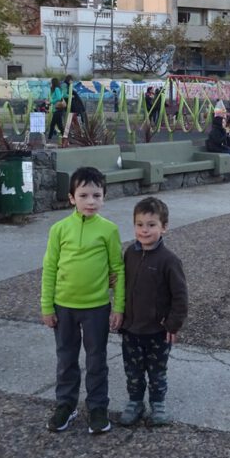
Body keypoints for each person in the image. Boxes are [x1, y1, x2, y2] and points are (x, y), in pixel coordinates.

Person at [41, 167, 125, 435]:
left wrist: (119, 306)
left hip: (97, 308)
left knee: (96, 360)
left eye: (97, 195)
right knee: (66, 358)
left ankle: (98, 407)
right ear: (71, 198)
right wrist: (46, 306)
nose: (91, 201)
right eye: (84, 195)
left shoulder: (109, 230)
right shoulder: (58, 229)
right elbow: (50, 268)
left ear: (104, 198)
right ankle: (66, 405)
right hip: (63, 307)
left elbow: (118, 270)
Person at [118, 198, 188, 427]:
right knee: (133, 371)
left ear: (163, 227)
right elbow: (122, 284)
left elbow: (180, 296)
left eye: (151, 225)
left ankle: (158, 404)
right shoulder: (129, 254)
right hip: (131, 328)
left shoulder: (169, 260)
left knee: (157, 372)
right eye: (139, 224)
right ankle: (135, 402)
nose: (144, 230)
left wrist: (173, 324)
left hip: (158, 330)